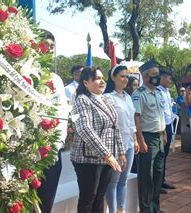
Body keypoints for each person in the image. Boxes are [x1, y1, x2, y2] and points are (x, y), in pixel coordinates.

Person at [70, 67, 126, 213]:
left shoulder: (106, 99)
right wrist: (107, 155)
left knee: (100, 196)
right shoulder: (82, 100)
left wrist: (121, 152)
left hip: (107, 158)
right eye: (97, 78)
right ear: (86, 82)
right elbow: (84, 129)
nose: (102, 81)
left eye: (102, 78)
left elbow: (115, 127)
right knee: (88, 198)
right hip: (87, 159)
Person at [35, 29, 68, 213]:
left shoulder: (56, 79)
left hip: (51, 152)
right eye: (44, 45)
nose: (48, 50)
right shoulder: (21, 74)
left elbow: (62, 113)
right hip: (26, 155)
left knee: (45, 204)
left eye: (52, 46)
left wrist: (56, 145)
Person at [132, 59, 166, 213]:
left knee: (158, 175)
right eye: (155, 75)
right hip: (147, 138)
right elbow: (136, 118)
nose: (158, 77)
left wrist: (164, 132)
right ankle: (146, 210)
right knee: (146, 178)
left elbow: (161, 115)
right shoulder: (139, 94)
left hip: (159, 137)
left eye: (158, 74)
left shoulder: (159, 92)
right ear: (145, 77)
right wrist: (140, 139)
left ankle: (155, 208)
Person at [104, 65, 139, 213]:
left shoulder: (128, 97)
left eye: (127, 76)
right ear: (113, 78)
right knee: (113, 182)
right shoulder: (108, 98)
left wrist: (135, 139)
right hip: (115, 146)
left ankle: (121, 209)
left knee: (123, 180)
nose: (125, 79)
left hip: (129, 144)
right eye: (122, 76)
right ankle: (112, 210)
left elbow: (131, 122)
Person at [156, 69, 177, 194]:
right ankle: (157, 184)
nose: (170, 81)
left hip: (168, 126)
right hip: (161, 127)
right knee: (160, 156)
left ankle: (162, 180)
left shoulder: (166, 92)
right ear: (162, 78)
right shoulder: (158, 92)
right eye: (169, 78)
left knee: (165, 156)